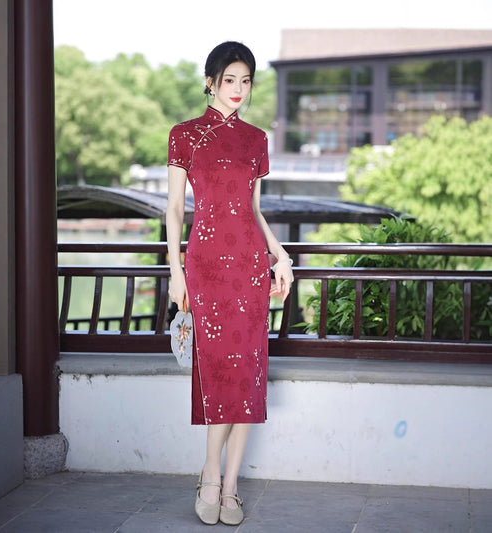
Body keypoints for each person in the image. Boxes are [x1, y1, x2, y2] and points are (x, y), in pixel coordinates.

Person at [166, 41, 294, 526]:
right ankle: (209, 475)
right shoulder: (184, 135)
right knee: (220, 375)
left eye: (246, 81)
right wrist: (175, 270)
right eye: (229, 80)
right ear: (211, 82)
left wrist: (280, 255)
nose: (238, 89)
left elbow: (253, 210)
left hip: (248, 268)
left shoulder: (256, 140)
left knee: (248, 377)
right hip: (205, 268)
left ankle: (231, 485)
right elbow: (174, 210)